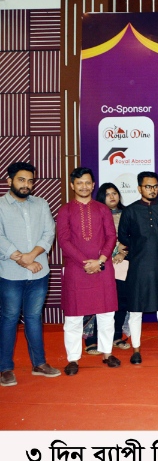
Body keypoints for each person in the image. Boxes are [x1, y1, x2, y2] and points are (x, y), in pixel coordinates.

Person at [0, 162, 61, 386]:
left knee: (34, 318)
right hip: (10, 274)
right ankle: (5, 368)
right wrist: (21, 259)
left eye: (30, 181)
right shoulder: (1, 206)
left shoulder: (41, 204)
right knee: (9, 319)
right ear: (9, 181)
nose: (26, 184)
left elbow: (49, 233)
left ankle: (39, 364)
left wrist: (31, 256)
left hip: (39, 273)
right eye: (21, 180)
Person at [57, 167, 121, 375]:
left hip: (102, 267)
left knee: (106, 313)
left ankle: (107, 353)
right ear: (72, 185)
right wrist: (85, 262)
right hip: (76, 269)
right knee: (73, 316)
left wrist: (100, 260)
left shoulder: (102, 209)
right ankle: (73, 358)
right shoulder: (65, 210)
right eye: (79, 183)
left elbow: (111, 237)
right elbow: (63, 240)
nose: (84, 186)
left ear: (93, 185)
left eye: (87, 182)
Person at [117, 171, 158, 364]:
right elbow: (123, 235)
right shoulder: (130, 211)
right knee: (135, 311)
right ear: (139, 188)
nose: (152, 190)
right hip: (138, 266)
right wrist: (138, 246)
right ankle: (136, 349)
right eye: (148, 186)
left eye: (155, 186)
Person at [83, 183, 132, 355]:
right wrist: (103, 258)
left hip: (122, 263)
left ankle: (116, 336)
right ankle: (92, 340)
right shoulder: (94, 214)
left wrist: (123, 253)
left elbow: (134, 237)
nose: (112, 197)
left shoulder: (128, 214)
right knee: (98, 302)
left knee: (121, 301)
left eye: (115, 193)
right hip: (100, 264)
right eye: (108, 194)